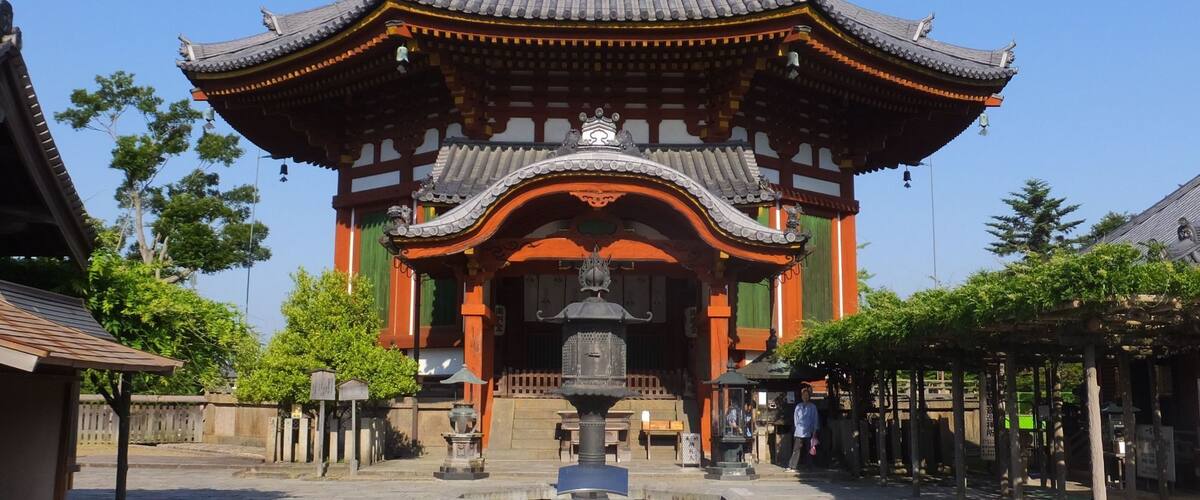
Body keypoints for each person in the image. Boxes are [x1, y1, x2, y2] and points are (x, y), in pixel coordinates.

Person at [786, 386, 818, 472]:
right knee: (796, 449)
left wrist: (814, 431)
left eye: (807, 395)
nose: (805, 397)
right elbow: (795, 418)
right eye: (804, 395)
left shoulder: (812, 407)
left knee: (809, 449)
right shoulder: (798, 406)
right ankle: (792, 466)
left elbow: (815, 419)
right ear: (802, 396)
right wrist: (797, 428)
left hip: (809, 430)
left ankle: (810, 466)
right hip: (799, 430)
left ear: (809, 396)